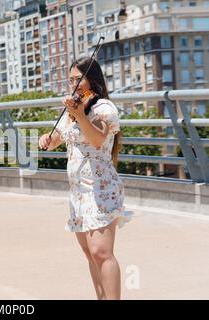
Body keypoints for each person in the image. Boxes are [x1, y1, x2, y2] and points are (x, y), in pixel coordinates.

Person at [39, 57, 133, 300]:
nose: (74, 84)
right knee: (90, 253)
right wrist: (47, 140)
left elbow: (98, 139)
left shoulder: (103, 108)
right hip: (79, 193)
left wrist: (80, 114)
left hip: (101, 189)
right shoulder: (71, 111)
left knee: (102, 252)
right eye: (70, 80)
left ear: (92, 79)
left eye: (78, 79)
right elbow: (57, 137)